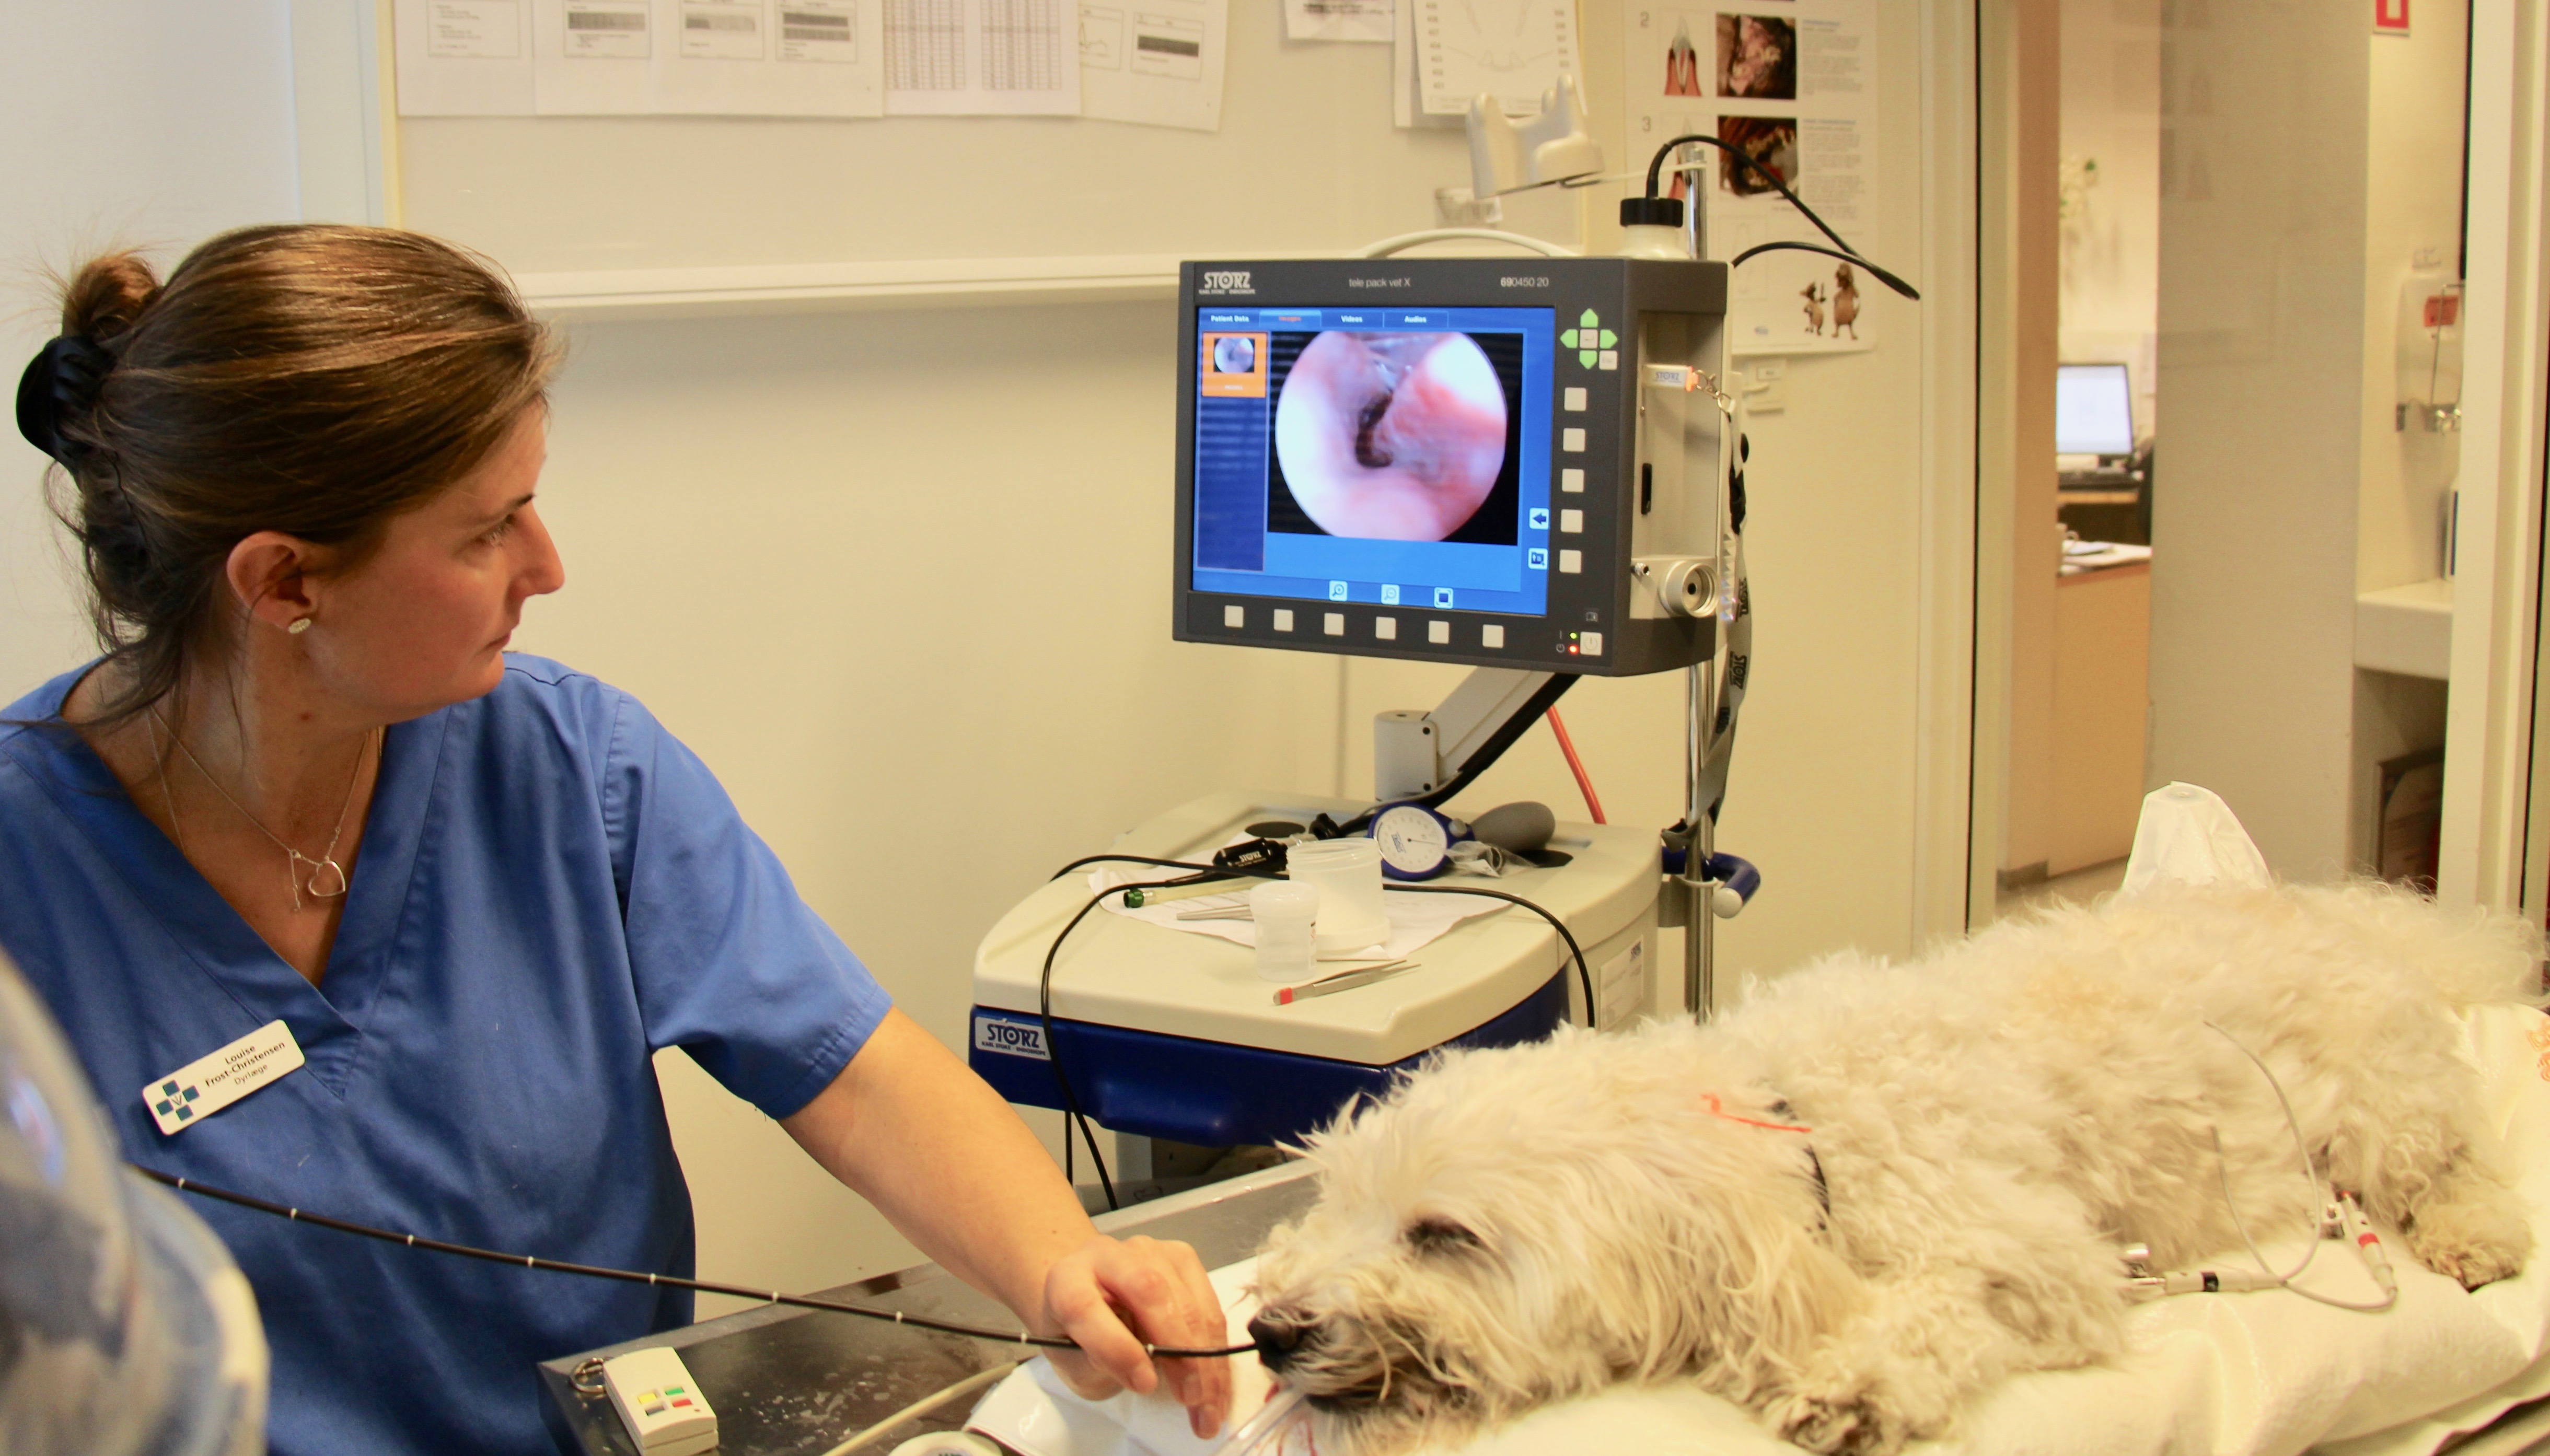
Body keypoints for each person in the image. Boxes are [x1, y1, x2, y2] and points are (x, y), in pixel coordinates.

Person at [0, 224, 1232, 1455]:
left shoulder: (567, 762)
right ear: (283, 584)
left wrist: (1065, 1261)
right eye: (490, 529)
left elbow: (854, 1074)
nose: (548, 566)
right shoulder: (28, 874)